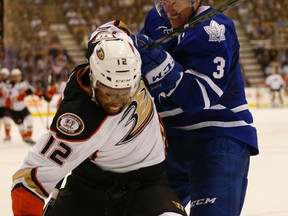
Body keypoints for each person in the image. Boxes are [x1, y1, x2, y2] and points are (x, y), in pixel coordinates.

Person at [11, 21, 187, 216]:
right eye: (108, 93)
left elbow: (116, 25)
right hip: (90, 187)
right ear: (94, 79)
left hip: (150, 184)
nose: (116, 103)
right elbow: (27, 183)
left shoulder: (118, 46)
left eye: (124, 93)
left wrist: (132, 42)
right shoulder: (79, 121)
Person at [131, 0, 259, 215]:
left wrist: (161, 65)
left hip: (217, 138)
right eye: (163, 2)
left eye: (174, 1)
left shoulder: (215, 29)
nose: (168, 9)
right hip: (167, 142)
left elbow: (199, 97)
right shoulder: (156, 18)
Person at [8, 68, 36, 145]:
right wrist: (25, 93)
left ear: (20, 76)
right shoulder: (10, 85)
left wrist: (30, 91)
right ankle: (25, 138)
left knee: (30, 119)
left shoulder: (24, 83)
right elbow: (14, 99)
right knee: (20, 124)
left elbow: (32, 89)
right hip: (14, 109)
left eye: (17, 76)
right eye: (14, 76)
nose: (16, 78)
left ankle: (29, 138)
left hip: (23, 107)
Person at [0, 67, 12, 141]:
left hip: (6, 105)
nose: (2, 76)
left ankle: (8, 135)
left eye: (4, 75)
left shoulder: (10, 84)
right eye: (1, 75)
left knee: (7, 120)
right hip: (0, 105)